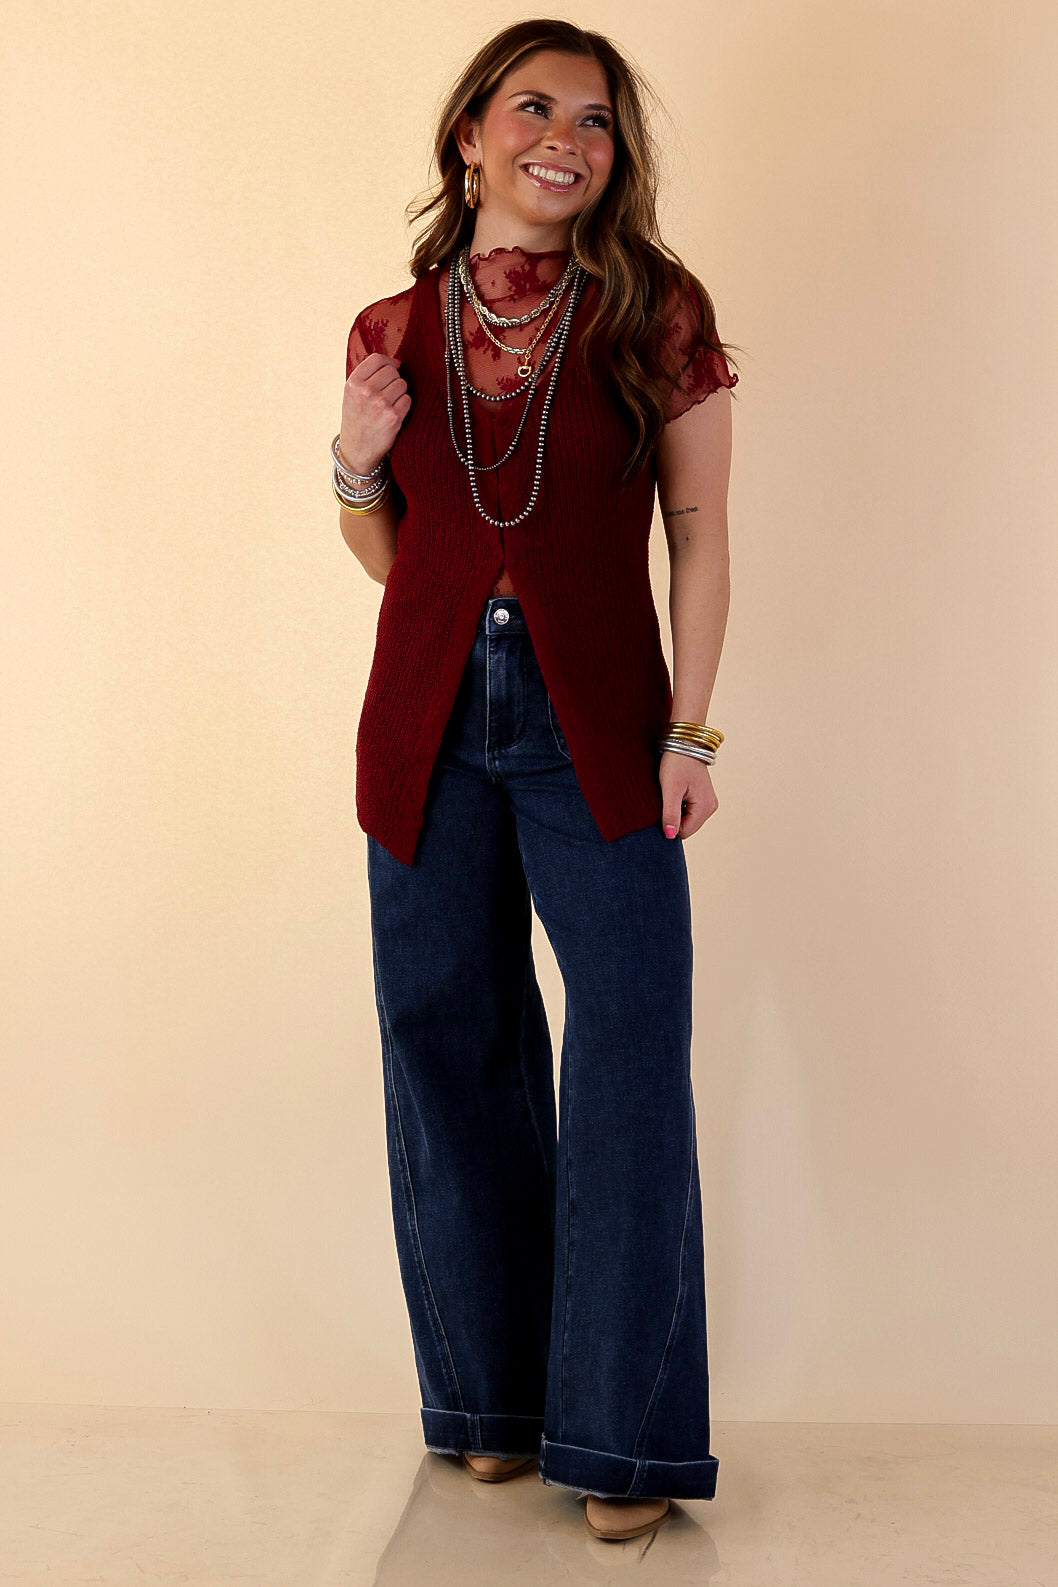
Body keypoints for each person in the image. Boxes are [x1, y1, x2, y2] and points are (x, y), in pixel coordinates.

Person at [334, 20, 739, 1545]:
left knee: (626, 1051)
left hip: (599, 726)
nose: (564, 139)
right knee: (448, 1043)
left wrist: (688, 734)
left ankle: (619, 1441)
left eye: (594, 120)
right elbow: (400, 559)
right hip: (425, 717)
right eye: (533, 108)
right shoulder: (392, 325)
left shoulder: (654, 311)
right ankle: (491, 1404)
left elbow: (698, 535)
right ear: (471, 135)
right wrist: (354, 463)